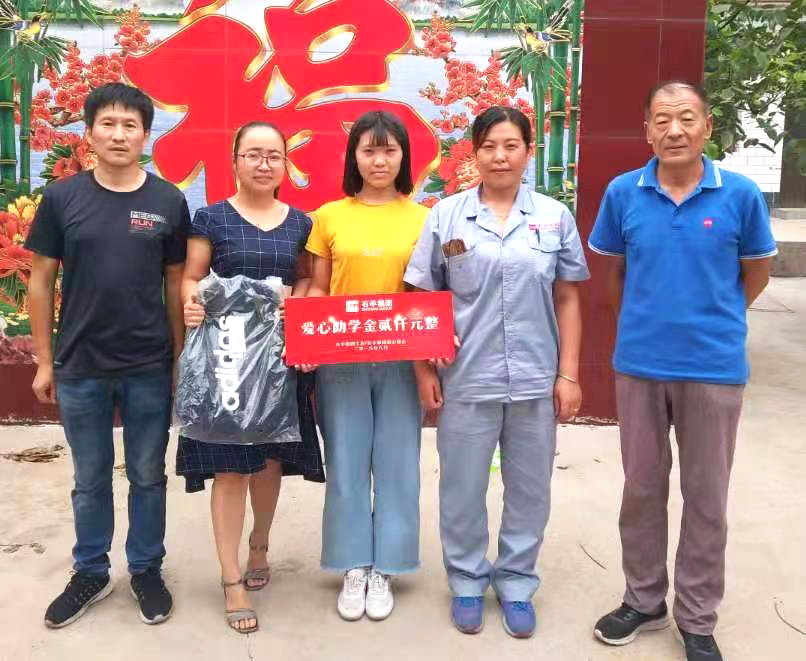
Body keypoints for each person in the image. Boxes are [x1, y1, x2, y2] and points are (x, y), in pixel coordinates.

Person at [588, 81, 777, 661]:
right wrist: (644, 326)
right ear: (646, 129)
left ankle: (696, 616)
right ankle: (644, 599)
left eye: (687, 118)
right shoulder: (623, 192)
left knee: (706, 496)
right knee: (642, 489)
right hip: (640, 366)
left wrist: (716, 320)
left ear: (707, 126)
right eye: (663, 120)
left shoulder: (740, 194)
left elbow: (756, 272)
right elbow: (616, 274)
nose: (675, 130)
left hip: (713, 368)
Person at [404, 105, 590, 639]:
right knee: (462, 488)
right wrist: (423, 368)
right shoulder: (446, 216)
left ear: (528, 151)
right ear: (475, 153)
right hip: (466, 377)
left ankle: (516, 582)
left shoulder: (554, 216)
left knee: (530, 489)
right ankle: (466, 580)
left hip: (535, 378)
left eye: (511, 145)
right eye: (489, 146)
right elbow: (420, 295)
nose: (500, 156)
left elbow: (568, 297)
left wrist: (569, 374)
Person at [25, 83, 189, 628]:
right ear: (90, 132)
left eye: (130, 125)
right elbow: (41, 282)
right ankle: (91, 571)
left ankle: (146, 569)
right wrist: (45, 360)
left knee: (147, 474)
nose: (119, 135)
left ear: (146, 135)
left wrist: (179, 359)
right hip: (81, 365)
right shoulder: (62, 199)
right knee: (90, 477)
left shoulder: (167, 201)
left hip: (147, 365)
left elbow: (175, 283)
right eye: (108, 124)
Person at [179, 121, 324, 634]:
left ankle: (259, 544)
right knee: (229, 468)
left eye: (274, 156)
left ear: (286, 164)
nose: (264, 164)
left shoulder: (301, 223)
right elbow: (192, 277)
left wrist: (298, 306)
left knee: (267, 461)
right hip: (227, 359)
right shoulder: (211, 217)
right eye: (253, 154)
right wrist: (191, 304)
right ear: (235, 161)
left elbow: (306, 278)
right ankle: (231, 578)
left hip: (280, 360)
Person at [304, 110, 428, 622]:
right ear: (354, 157)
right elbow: (317, 287)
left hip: (403, 360)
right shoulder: (329, 216)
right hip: (342, 359)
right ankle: (354, 564)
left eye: (389, 150)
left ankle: (388, 567)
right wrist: (305, 336)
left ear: (403, 157)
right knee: (347, 462)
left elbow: (431, 292)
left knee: (398, 464)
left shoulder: (424, 218)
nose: (379, 160)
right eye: (369, 150)